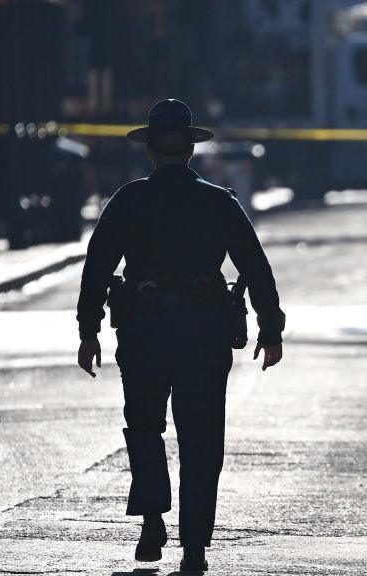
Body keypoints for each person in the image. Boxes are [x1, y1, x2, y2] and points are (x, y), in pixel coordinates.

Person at [76, 99, 285, 572]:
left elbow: (97, 269)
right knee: (202, 437)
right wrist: (270, 328)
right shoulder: (218, 201)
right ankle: (194, 545)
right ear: (190, 150)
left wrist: (88, 331)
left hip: (144, 332)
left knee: (145, 428)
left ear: (149, 151)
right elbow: (255, 267)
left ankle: (152, 519)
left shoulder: (127, 200)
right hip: (203, 333)